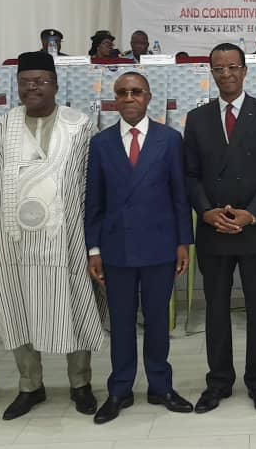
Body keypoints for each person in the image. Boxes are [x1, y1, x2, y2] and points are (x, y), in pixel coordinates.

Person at [0, 51, 105, 421]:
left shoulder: (80, 126)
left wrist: (94, 244)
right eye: (25, 82)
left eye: (40, 81)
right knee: (17, 309)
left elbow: (95, 185)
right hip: (15, 244)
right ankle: (30, 386)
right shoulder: (2, 127)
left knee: (74, 308)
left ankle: (80, 384)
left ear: (55, 85)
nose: (32, 88)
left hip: (68, 241)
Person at [183, 42, 256, 415]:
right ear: (211, 73)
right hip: (214, 231)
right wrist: (206, 212)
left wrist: (251, 213)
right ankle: (219, 381)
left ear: (245, 71)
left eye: (232, 67)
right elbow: (190, 175)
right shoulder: (197, 118)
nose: (226, 74)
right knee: (216, 310)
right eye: (219, 68)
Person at [85, 72, 194, 424]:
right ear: (114, 99)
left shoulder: (169, 139)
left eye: (136, 92)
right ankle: (120, 389)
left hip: (160, 245)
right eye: (122, 92)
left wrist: (183, 243)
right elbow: (94, 202)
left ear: (148, 97)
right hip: (116, 248)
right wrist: (93, 250)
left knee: (158, 321)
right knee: (120, 322)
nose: (129, 98)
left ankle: (161, 386)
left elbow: (180, 196)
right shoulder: (100, 143)